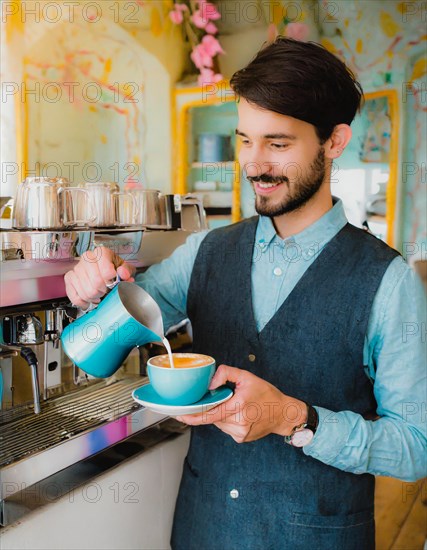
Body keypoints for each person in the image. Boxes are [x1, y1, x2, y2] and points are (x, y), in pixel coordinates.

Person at [64, 38, 426, 550]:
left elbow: (416, 446)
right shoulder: (203, 252)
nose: (254, 165)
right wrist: (89, 282)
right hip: (203, 531)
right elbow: (117, 323)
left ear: (335, 142)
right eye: (244, 140)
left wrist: (295, 418)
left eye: (278, 144)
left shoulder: (390, 282)